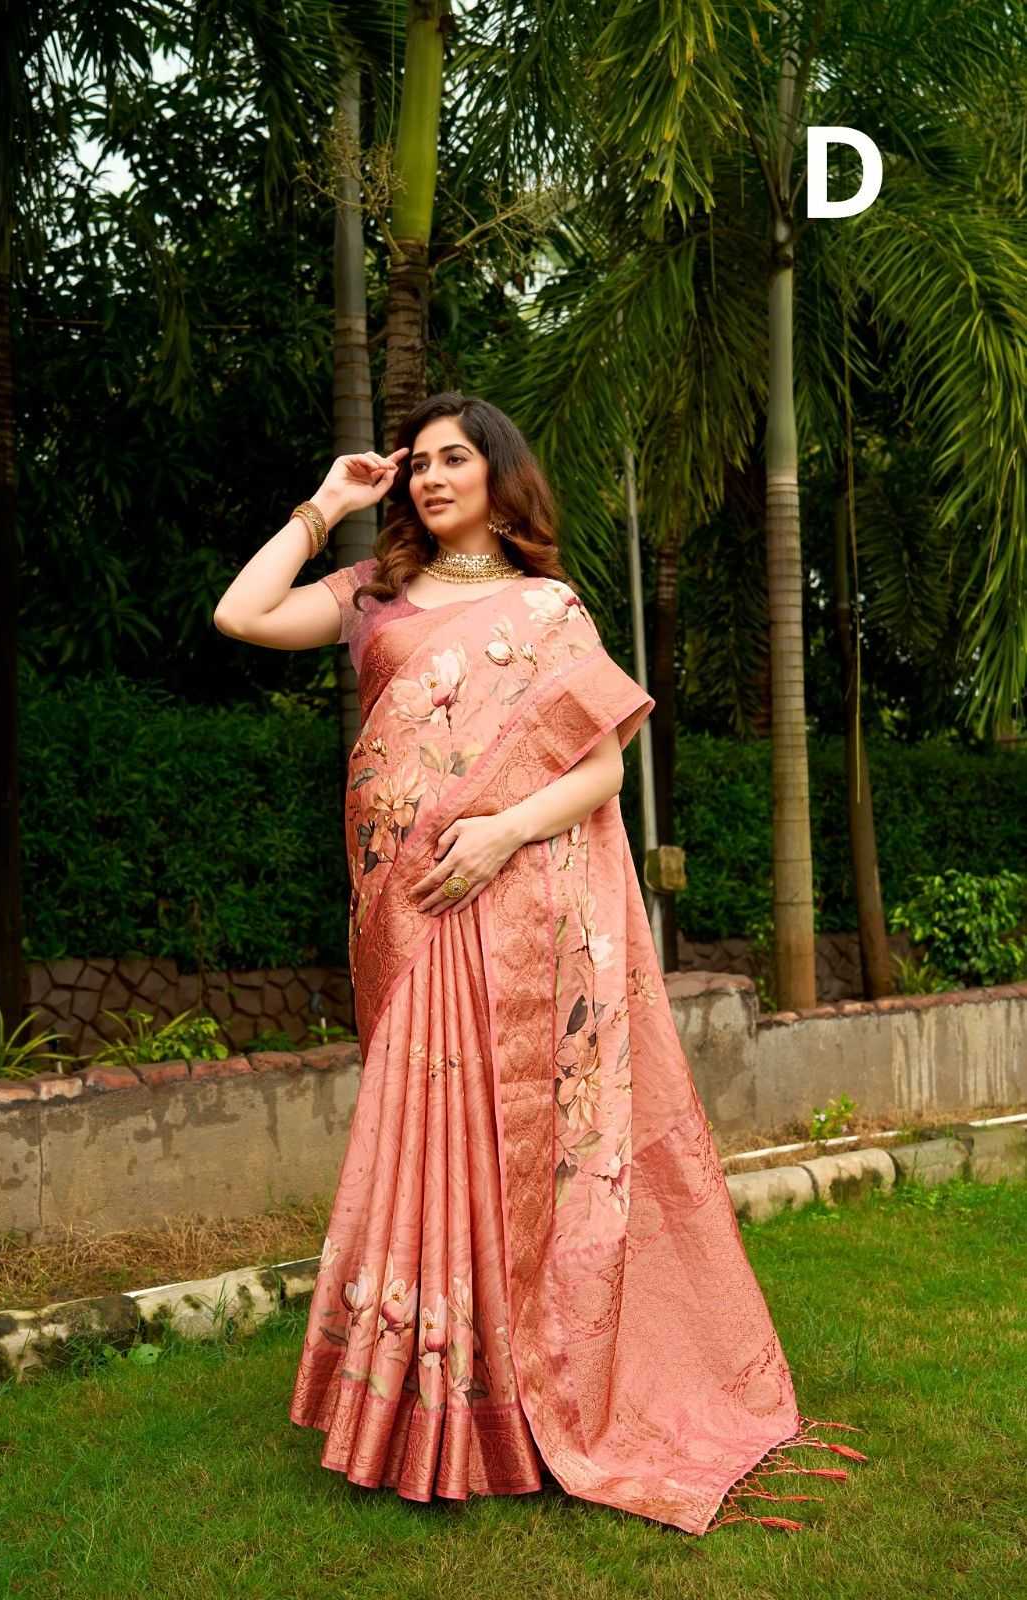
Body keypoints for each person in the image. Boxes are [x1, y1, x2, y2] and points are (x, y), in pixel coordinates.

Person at [213, 392, 866, 1536]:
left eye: (452, 459)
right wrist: (326, 502)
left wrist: (500, 832)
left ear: (498, 475)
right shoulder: (373, 594)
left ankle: (521, 1403)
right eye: (417, 463)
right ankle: (426, 1408)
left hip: (514, 908)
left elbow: (601, 772)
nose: (429, 477)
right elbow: (240, 613)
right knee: (424, 1141)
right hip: (410, 910)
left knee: (508, 1145)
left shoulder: (547, 609)